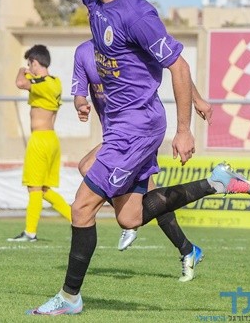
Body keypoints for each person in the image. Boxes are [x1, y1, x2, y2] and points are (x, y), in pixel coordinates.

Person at [1, 0, 250, 315]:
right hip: (125, 125)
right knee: (130, 217)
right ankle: (216, 182)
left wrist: (184, 130)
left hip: (137, 126)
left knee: (82, 205)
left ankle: (69, 298)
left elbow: (178, 65)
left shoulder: (137, 14)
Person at [72, 39, 212, 282]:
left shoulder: (127, 41)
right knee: (148, 200)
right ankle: (187, 248)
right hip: (116, 136)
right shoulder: (83, 52)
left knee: (87, 166)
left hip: (137, 131)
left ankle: (137, 222)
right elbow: (79, 94)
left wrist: (196, 99)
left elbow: (176, 65)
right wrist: (81, 105)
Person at [7, 44, 72, 242]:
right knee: (43, 189)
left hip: (40, 139)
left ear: (35, 62)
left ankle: (30, 232)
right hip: (51, 139)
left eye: (30, 64)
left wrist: (22, 70)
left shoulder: (43, 83)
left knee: (34, 188)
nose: (29, 67)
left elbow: (20, 82)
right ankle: (77, 219)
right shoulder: (55, 82)